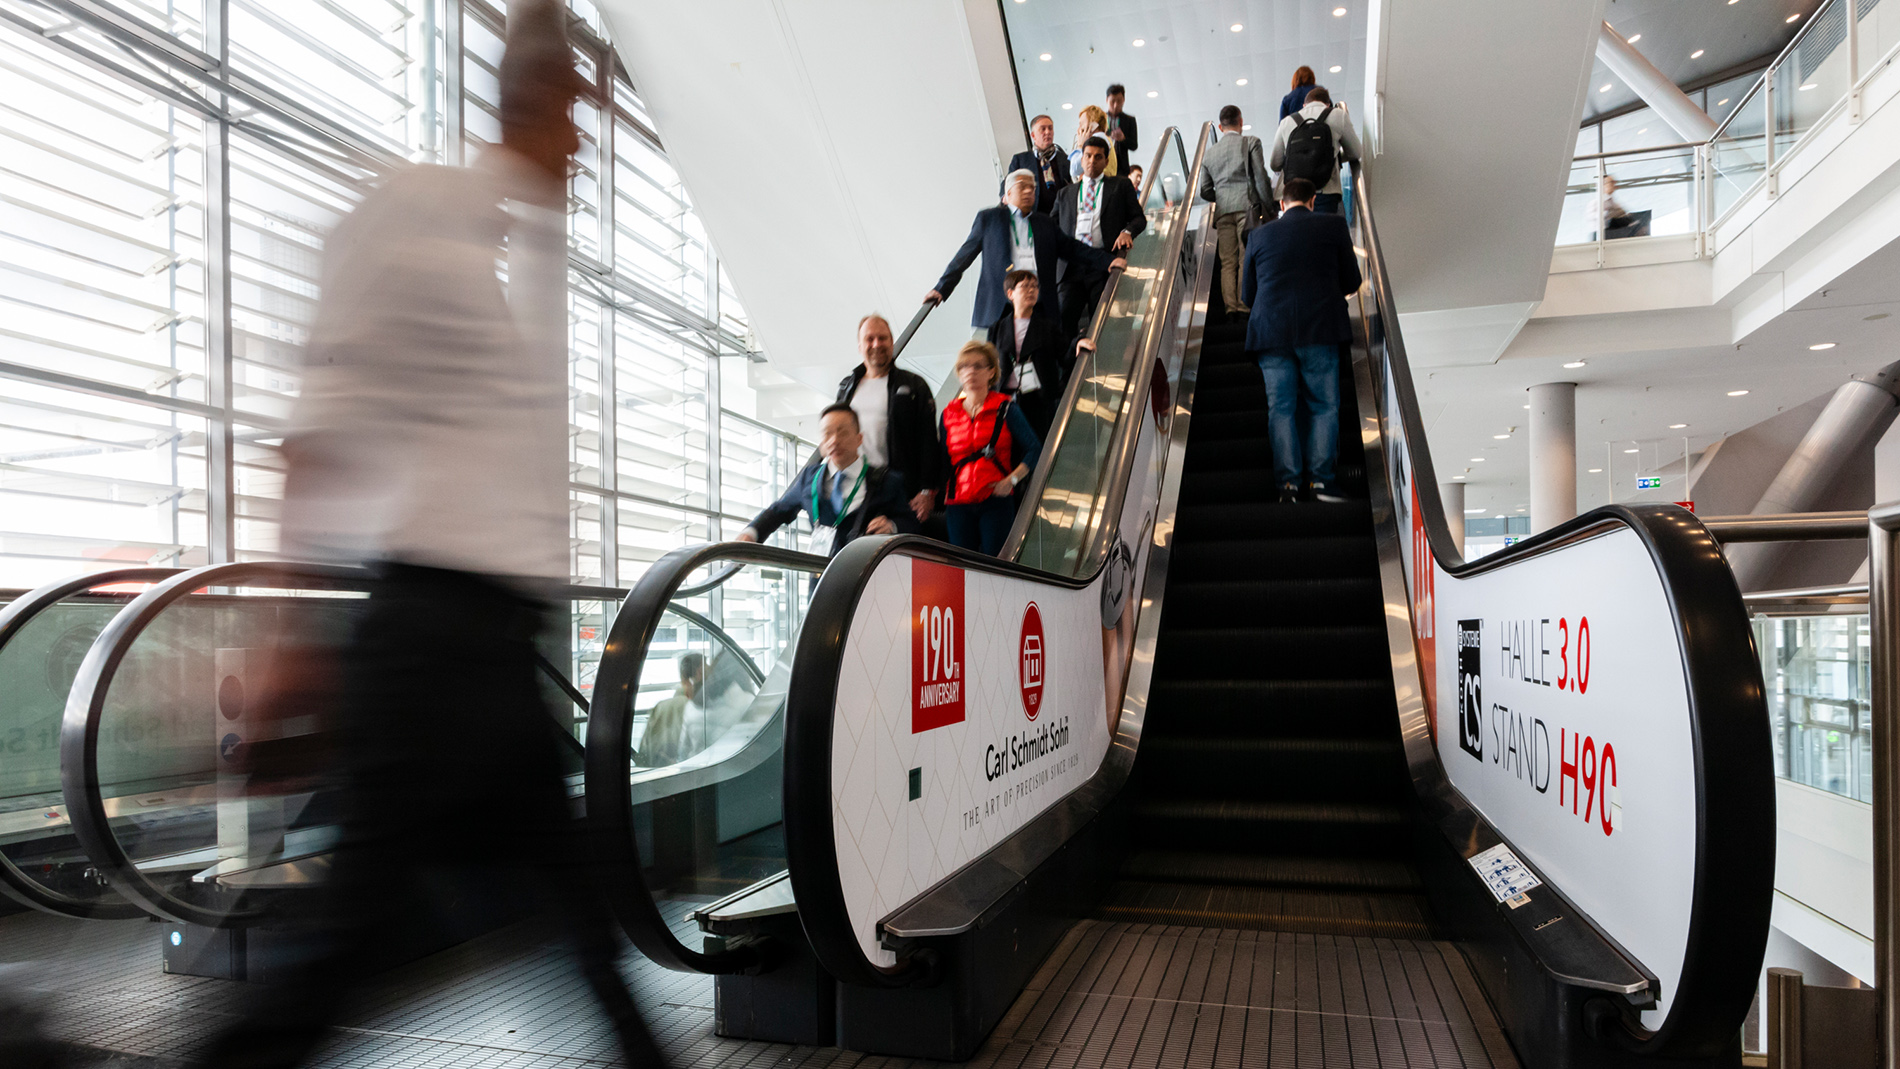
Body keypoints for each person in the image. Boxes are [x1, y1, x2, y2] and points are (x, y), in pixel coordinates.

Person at [191, 5, 669, 1069]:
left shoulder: (502, 256)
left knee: (586, 935)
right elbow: (319, 434)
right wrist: (283, 640)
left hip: (492, 651)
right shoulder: (415, 214)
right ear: (535, 101)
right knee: (342, 954)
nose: (584, 148)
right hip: (429, 648)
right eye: (577, 119)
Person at [1240, 177, 1363, 504]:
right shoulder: (1333, 226)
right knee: (1323, 406)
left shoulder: (1258, 235)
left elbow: (1247, 294)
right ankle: (1321, 483)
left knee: (1280, 409)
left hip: (1271, 332)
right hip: (1320, 328)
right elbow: (1352, 280)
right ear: (1313, 200)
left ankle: (1288, 487)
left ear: (1281, 204)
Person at [925, 170, 1124, 330]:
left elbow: (1073, 248)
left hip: (1039, 304)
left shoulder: (1044, 223)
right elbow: (964, 255)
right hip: (1000, 306)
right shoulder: (990, 218)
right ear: (1008, 194)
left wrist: (1108, 261)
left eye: (1032, 187)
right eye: (1022, 187)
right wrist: (942, 287)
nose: (1029, 191)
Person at [737, 403, 917, 557]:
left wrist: (892, 526)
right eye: (827, 434)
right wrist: (751, 533)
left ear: (859, 439)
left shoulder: (887, 480)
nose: (834, 440)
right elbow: (778, 511)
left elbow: (912, 525)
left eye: (843, 432)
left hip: (869, 578)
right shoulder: (809, 477)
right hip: (820, 577)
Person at [835, 314, 943, 523]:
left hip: (901, 490)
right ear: (860, 346)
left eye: (882, 338)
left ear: (892, 342)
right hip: (856, 489)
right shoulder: (846, 388)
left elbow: (929, 441)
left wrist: (927, 491)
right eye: (870, 339)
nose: (877, 344)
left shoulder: (914, 385)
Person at [939, 341, 1042, 555]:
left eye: (978, 366)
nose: (971, 372)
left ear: (991, 372)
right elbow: (942, 458)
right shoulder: (948, 414)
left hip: (995, 499)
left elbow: (1034, 448)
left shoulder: (1006, 408)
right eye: (965, 366)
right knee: (962, 566)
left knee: (996, 565)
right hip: (958, 502)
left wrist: (1011, 480)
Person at [987, 269, 1096, 438]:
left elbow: (1065, 357)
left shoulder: (1047, 327)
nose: (1031, 290)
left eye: (1035, 287)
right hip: (1006, 401)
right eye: (1024, 286)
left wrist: (1078, 341)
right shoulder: (997, 329)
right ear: (1010, 294)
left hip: (1039, 402)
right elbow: (990, 366)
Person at [1054, 135, 1146, 336]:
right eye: (1088, 156)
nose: (1092, 161)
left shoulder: (1120, 186)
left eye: (1098, 157)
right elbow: (1050, 228)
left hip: (1103, 263)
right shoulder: (1065, 193)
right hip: (1071, 267)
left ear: (1106, 161)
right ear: (1082, 158)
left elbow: (1139, 218)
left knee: (1103, 321)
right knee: (1064, 320)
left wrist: (1127, 231)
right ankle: (1069, 363)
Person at [1199, 105, 1273, 315]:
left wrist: (1222, 197)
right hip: (1247, 208)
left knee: (1227, 262)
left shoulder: (1210, 153)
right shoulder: (1251, 142)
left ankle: (1230, 308)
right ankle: (1244, 305)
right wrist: (1269, 206)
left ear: (1221, 127)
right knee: (1244, 257)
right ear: (1241, 121)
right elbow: (1260, 177)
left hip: (1223, 212)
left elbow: (1204, 190)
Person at [1270, 86, 1361, 215]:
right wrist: (1332, 155)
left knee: (1298, 234)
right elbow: (1355, 152)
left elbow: (1275, 163)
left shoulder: (1286, 122)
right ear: (1328, 104)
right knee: (1324, 233)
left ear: (1304, 105)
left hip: (1295, 195)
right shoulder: (1338, 115)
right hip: (1326, 191)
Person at [636, 653, 706, 767]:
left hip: (658, 775)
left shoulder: (662, 708)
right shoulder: (700, 709)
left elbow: (645, 753)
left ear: (682, 678)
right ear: (699, 673)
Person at [1005, 113, 1071, 213]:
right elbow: (1006, 185)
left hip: (1061, 214)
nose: (1047, 132)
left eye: (1050, 128)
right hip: (1033, 215)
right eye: (1043, 129)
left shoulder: (1065, 159)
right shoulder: (1020, 160)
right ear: (1033, 135)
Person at [1068, 105, 1117, 179]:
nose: (1079, 129)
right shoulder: (1105, 138)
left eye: (1081, 124)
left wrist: (1080, 145)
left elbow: (1074, 169)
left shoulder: (1098, 139)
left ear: (1092, 124)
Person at [1103, 83, 1139, 175]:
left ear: (1123, 100)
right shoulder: (1100, 118)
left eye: (1119, 101)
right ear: (1107, 100)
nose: (1115, 105)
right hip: (1103, 163)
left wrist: (1123, 138)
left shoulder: (1129, 120)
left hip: (1121, 167)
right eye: (1112, 101)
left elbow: (1134, 145)